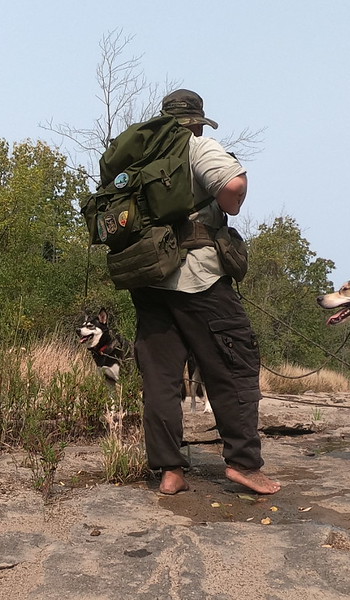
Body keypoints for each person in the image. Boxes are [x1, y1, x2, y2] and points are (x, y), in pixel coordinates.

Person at [130, 89, 280, 496]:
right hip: (198, 278)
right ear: (196, 120)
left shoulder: (137, 157)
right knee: (234, 365)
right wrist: (234, 198)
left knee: (160, 379)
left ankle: (170, 471)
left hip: (147, 280)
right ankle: (244, 465)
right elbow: (232, 185)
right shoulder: (196, 146)